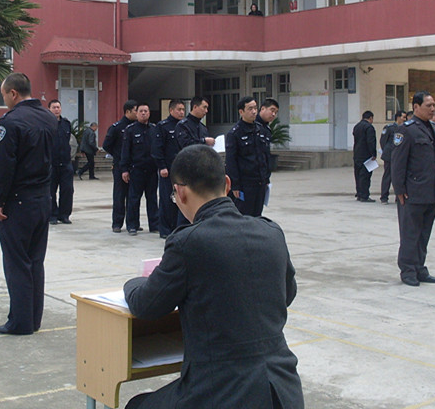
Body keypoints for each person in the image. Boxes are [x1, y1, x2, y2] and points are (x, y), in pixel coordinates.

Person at [123, 145, 304, 409]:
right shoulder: (271, 232)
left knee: (137, 405)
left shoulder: (188, 242)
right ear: (227, 184)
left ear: (180, 192)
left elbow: (146, 304)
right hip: (282, 390)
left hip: (222, 392)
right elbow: (287, 293)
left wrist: (134, 283)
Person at [0, 72, 56, 335]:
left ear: (13, 93)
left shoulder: (12, 121)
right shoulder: (48, 117)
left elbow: (4, 166)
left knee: (17, 262)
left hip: (18, 200)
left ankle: (20, 321)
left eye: (4, 95)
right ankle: (33, 318)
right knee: (35, 261)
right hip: (42, 197)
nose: (4, 100)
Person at [390, 91, 435, 287]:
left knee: (424, 234)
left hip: (432, 190)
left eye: (433, 105)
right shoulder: (406, 130)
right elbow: (397, 163)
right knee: (410, 234)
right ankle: (408, 270)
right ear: (416, 107)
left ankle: (420, 267)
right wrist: (399, 189)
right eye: (428, 106)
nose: (432, 109)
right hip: (412, 191)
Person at [225, 96, 271, 217]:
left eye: (255, 108)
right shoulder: (235, 133)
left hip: (260, 182)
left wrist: (266, 178)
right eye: (250, 109)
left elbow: (266, 155)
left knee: (257, 215)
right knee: (243, 216)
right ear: (241, 112)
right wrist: (235, 185)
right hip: (245, 184)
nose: (254, 111)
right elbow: (231, 161)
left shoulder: (261, 130)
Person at [120, 103, 159, 236]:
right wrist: (124, 169)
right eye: (141, 111)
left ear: (149, 113)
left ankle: (154, 225)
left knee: (152, 198)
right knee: (133, 199)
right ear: (136, 114)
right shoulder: (130, 130)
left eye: (146, 111)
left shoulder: (154, 129)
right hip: (136, 170)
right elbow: (125, 151)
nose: (143, 113)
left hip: (152, 170)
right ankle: (132, 225)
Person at [151, 99, 186, 238]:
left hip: (182, 170)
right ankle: (165, 230)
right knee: (167, 200)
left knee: (182, 199)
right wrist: (162, 166)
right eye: (179, 109)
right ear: (171, 110)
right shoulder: (163, 126)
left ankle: (178, 227)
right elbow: (157, 148)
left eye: (183, 109)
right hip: (168, 169)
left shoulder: (185, 126)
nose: (181, 112)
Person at [102, 100, 138, 233]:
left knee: (133, 196)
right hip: (120, 166)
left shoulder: (137, 127)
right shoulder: (117, 127)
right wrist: (119, 156)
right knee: (119, 195)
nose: (138, 113)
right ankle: (117, 223)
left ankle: (133, 223)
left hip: (134, 166)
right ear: (128, 111)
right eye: (136, 110)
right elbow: (106, 145)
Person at [47, 99, 74, 225]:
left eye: (58, 107)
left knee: (67, 190)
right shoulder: (46, 124)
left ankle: (64, 215)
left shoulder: (66, 123)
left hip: (66, 163)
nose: (56, 109)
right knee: (50, 191)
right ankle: (52, 215)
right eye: (54, 107)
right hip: (51, 163)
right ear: (49, 109)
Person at [380, 110, 406, 204]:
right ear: (398, 117)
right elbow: (383, 141)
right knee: (388, 176)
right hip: (389, 156)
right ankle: (384, 197)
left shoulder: (405, 128)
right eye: (403, 117)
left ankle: (398, 197)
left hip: (399, 156)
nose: (404, 119)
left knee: (399, 176)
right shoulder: (389, 128)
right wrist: (387, 151)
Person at [352, 111, 376, 202]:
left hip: (357, 154)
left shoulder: (357, 126)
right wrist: (373, 154)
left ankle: (359, 193)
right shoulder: (369, 127)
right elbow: (371, 141)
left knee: (358, 175)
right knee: (365, 176)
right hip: (366, 155)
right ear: (370, 118)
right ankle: (364, 195)